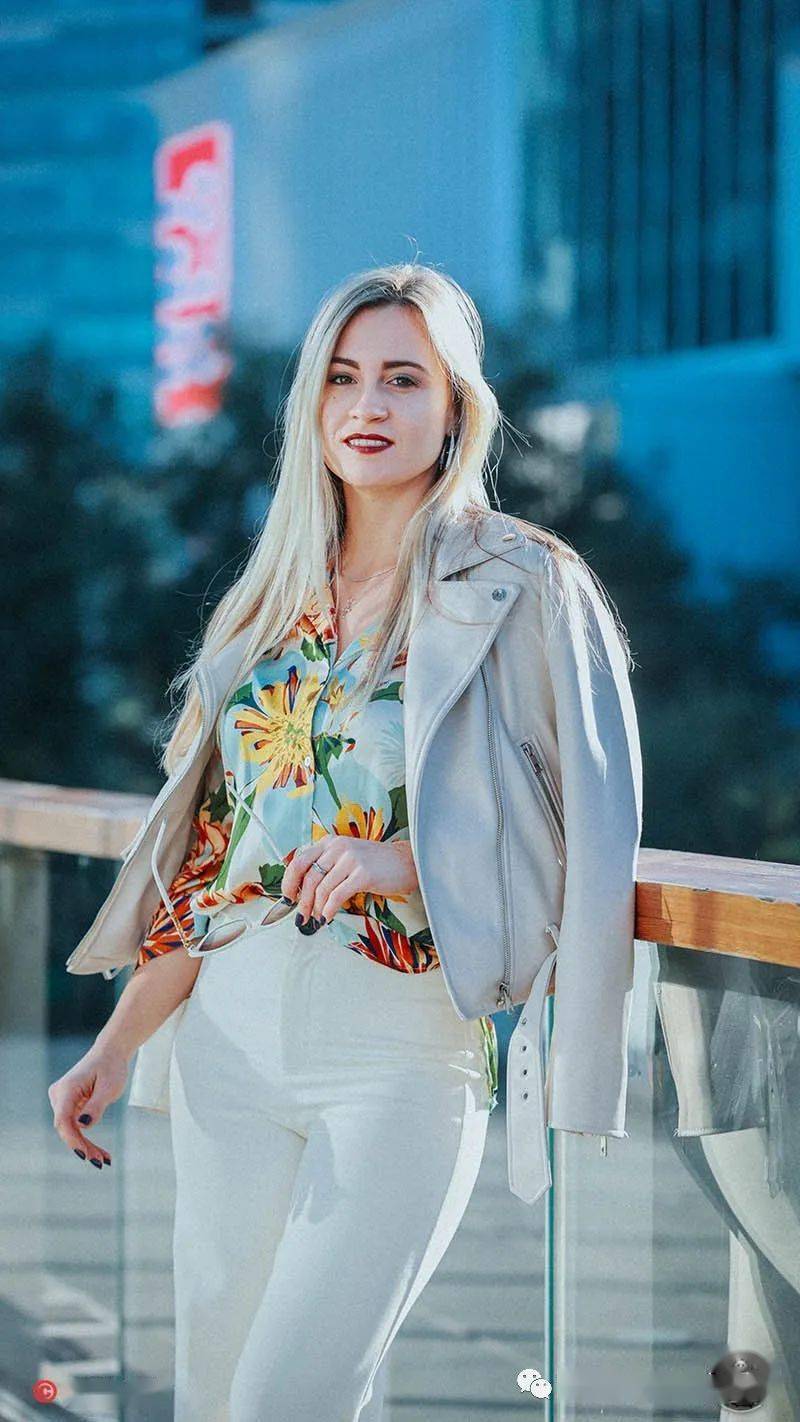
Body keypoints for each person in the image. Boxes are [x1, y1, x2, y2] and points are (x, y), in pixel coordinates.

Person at [48, 262, 643, 1422]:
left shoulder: (524, 584)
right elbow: (210, 862)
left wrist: (407, 863)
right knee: (213, 1394)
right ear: (310, 404)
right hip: (225, 1044)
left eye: (402, 379)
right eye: (341, 377)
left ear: (454, 406)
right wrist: (116, 1046)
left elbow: (595, 836)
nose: (366, 405)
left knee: (287, 1399)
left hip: (402, 1053)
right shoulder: (268, 598)